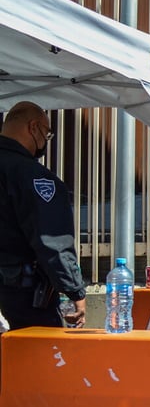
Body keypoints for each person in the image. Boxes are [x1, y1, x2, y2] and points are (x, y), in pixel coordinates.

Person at [0, 101, 86, 329]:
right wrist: (74, 290)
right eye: (46, 133)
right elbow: (52, 240)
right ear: (33, 127)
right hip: (21, 296)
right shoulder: (33, 177)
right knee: (40, 360)